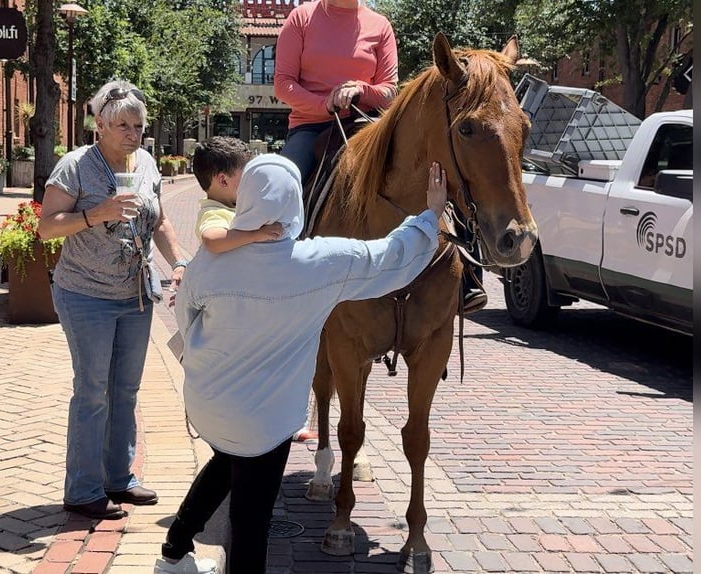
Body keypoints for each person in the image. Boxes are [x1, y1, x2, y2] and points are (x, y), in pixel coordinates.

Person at [158, 153, 448, 574]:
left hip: (212, 404)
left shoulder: (209, 263)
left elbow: (185, 319)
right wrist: (430, 215)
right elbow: (391, 256)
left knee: (225, 460)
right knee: (251, 518)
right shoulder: (322, 260)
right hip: (268, 420)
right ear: (296, 201)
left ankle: (173, 554)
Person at [39, 79, 190, 522]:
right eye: (121, 124)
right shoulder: (75, 166)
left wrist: (178, 263)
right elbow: (47, 227)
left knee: (125, 390)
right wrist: (96, 214)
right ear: (99, 125)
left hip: (135, 294)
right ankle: (82, 490)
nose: (131, 133)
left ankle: (118, 479)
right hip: (85, 292)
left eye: (137, 125)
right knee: (92, 391)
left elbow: (159, 220)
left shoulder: (145, 163)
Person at [274, 0, 399, 184]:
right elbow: (283, 84)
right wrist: (325, 105)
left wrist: (360, 91)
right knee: (280, 184)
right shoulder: (300, 18)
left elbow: (389, 92)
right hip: (312, 128)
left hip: (367, 125)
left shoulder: (381, 26)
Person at [190, 136, 283, 253]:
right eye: (246, 176)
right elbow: (211, 240)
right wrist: (255, 235)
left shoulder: (232, 207)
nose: (251, 182)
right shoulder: (213, 213)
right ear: (223, 180)